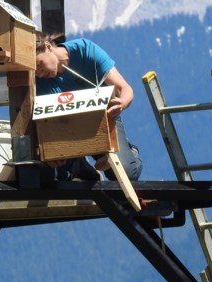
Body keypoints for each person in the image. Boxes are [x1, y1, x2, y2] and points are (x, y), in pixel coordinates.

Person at [33, 32, 142, 182]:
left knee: (126, 173)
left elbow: (125, 89)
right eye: (35, 70)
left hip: (103, 121)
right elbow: (46, 124)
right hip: (67, 129)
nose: (39, 73)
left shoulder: (85, 50)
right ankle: (79, 164)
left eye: (39, 64)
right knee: (52, 172)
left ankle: (131, 155)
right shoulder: (40, 82)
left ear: (47, 47)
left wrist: (122, 103)